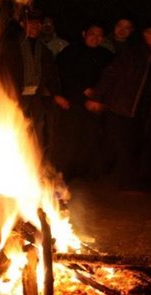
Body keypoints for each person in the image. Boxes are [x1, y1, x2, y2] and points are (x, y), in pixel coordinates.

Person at [85, 25, 151, 191]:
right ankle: (115, 181)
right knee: (121, 146)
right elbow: (110, 74)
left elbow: (150, 81)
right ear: (148, 35)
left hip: (138, 110)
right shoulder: (134, 53)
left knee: (128, 145)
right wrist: (97, 97)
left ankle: (110, 178)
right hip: (120, 107)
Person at [55, 21, 113, 181]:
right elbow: (63, 75)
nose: (95, 38)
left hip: (96, 103)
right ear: (84, 34)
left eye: (99, 35)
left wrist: (99, 97)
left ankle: (85, 172)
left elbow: (111, 79)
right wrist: (82, 90)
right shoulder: (70, 52)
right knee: (70, 138)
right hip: (72, 102)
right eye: (92, 34)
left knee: (91, 138)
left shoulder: (107, 56)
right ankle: (64, 173)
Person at [17, 8, 69, 159]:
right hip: (15, 96)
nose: (34, 27)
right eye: (30, 23)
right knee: (13, 129)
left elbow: (51, 76)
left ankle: (34, 166)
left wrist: (56, 94)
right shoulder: (13, 46)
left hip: (35, 97)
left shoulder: (44, 51)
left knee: (36, 132)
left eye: (38, 24)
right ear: (23, 24)